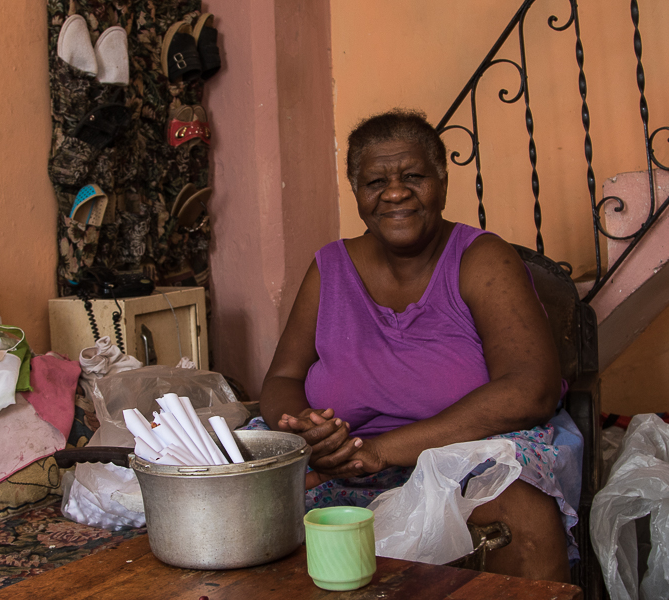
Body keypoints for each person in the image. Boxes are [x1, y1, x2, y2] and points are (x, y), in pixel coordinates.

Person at [250, 109, 583, 583]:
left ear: (442, 181)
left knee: (519, 510)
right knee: (245, 509)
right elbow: (283, 378)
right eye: (375, 182)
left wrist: (381, 451)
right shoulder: (329, 267)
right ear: (356, 192)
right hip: (341, 465)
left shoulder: (481, 258)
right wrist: (305, 431)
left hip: (462, 457)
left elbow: (531, 389)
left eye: (413, 176)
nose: (394, 192)